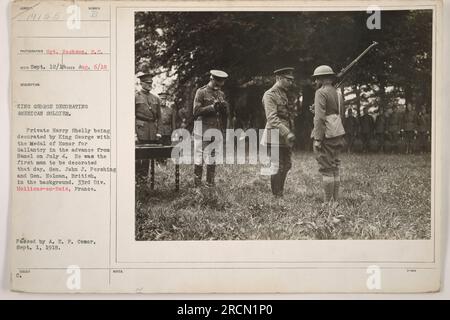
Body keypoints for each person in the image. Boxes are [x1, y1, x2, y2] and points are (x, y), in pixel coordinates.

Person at [310, 65, 346, 202]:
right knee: (335, 167)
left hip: (326, 134)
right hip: (338, 132)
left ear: (321, 79)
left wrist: (318, 139)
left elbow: (319, 118)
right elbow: (338, 114)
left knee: (326, 168)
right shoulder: (338, 93)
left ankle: (327, 204)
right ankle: (335, 201)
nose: (315, 82)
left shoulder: (321, 92)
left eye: (316, 79)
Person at [261, 67, 296, 197]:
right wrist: (287, 132)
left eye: (291, 80)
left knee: (287, 165)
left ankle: (279, 192)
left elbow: (287, 115)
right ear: (279, 78)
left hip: (284, 136)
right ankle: (277, 195)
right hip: (274, 135)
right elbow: (271, 118)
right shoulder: (270, 94)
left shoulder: (284, 94)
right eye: (288, 80)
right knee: (277, 165)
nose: (290, 83)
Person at [192, 70, 230, 187]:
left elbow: (225, 114)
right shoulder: (201, 92)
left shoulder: (221, 94)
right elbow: (195, 112)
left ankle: (210, 183)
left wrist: (224, 108)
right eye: (217, 83)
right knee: (200, 155)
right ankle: (197, 185)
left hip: (215, 129)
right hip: (202, 128)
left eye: (221, 84)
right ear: (211, 79)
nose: (218, 86)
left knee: (212, 156)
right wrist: (212, 107)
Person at [135, 72, 162, 175]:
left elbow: (159, 117)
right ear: (141, 83)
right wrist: (134, 134)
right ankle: (137, 180)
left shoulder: (156, 98)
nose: (150, 85)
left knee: (147, 157)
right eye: (147, 83)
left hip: (152, 130)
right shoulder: (135, 97)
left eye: (151, 82)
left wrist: (159, 132)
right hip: (140, 129)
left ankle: (144, 179)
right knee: (138, 157)